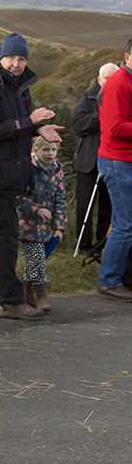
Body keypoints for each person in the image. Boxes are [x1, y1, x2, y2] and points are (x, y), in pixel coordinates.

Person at [0, 32, 63, 319]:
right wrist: (29, 121)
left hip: (9, 171)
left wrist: (37, 129)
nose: (16, 64)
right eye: (11, 58)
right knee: (6, 235)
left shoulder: (19, 86)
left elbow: (16, 125)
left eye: (21, 58)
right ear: (0, 57)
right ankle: (11, 300)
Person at [96, 39, 132, 301]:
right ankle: (108, 280)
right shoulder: (119, 83)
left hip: (124, 161)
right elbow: (115, 129)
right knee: (124, 224)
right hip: (118, 162)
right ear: (127, 56)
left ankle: (117, 277)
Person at [17, 136, 67, 311]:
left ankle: (25, 290)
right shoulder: (27, 169)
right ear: (36, 150)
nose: (50, 153)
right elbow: (18, 196)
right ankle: (41, 295)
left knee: (36, 260)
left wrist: (59, 226)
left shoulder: (57, 171)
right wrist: (36, 209)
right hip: (27, 224)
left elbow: (60, 199)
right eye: (46, 149)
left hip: (47, 227)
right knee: (37, 258)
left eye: (53, 150)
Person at [71, 64, 116, 255]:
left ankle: (104, 245)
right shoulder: (88, 98)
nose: (109, 81)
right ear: (99, 80)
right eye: (106, 78)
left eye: (113, 78)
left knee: (108, 207)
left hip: (113, 162)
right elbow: (78, 124)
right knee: (84, 207)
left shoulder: (124, 98)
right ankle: (84, 246)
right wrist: (103, 115)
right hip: (87, 161)